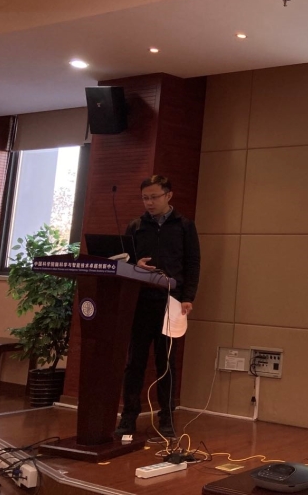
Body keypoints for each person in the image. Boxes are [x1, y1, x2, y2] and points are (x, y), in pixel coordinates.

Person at [115, 175, 200, 439]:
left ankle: (167, 419)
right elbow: (123, 262)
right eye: (145, 198)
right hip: (140, 302)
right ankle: (128, 416)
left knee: (166, 363)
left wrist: (188, 296)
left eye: (154, 197)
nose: (149, 202)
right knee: (135, 362)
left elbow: (193, 263)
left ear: (168, 195)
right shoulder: (136, 226)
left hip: (171, 303)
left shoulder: (184, 226)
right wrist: (135, 266)